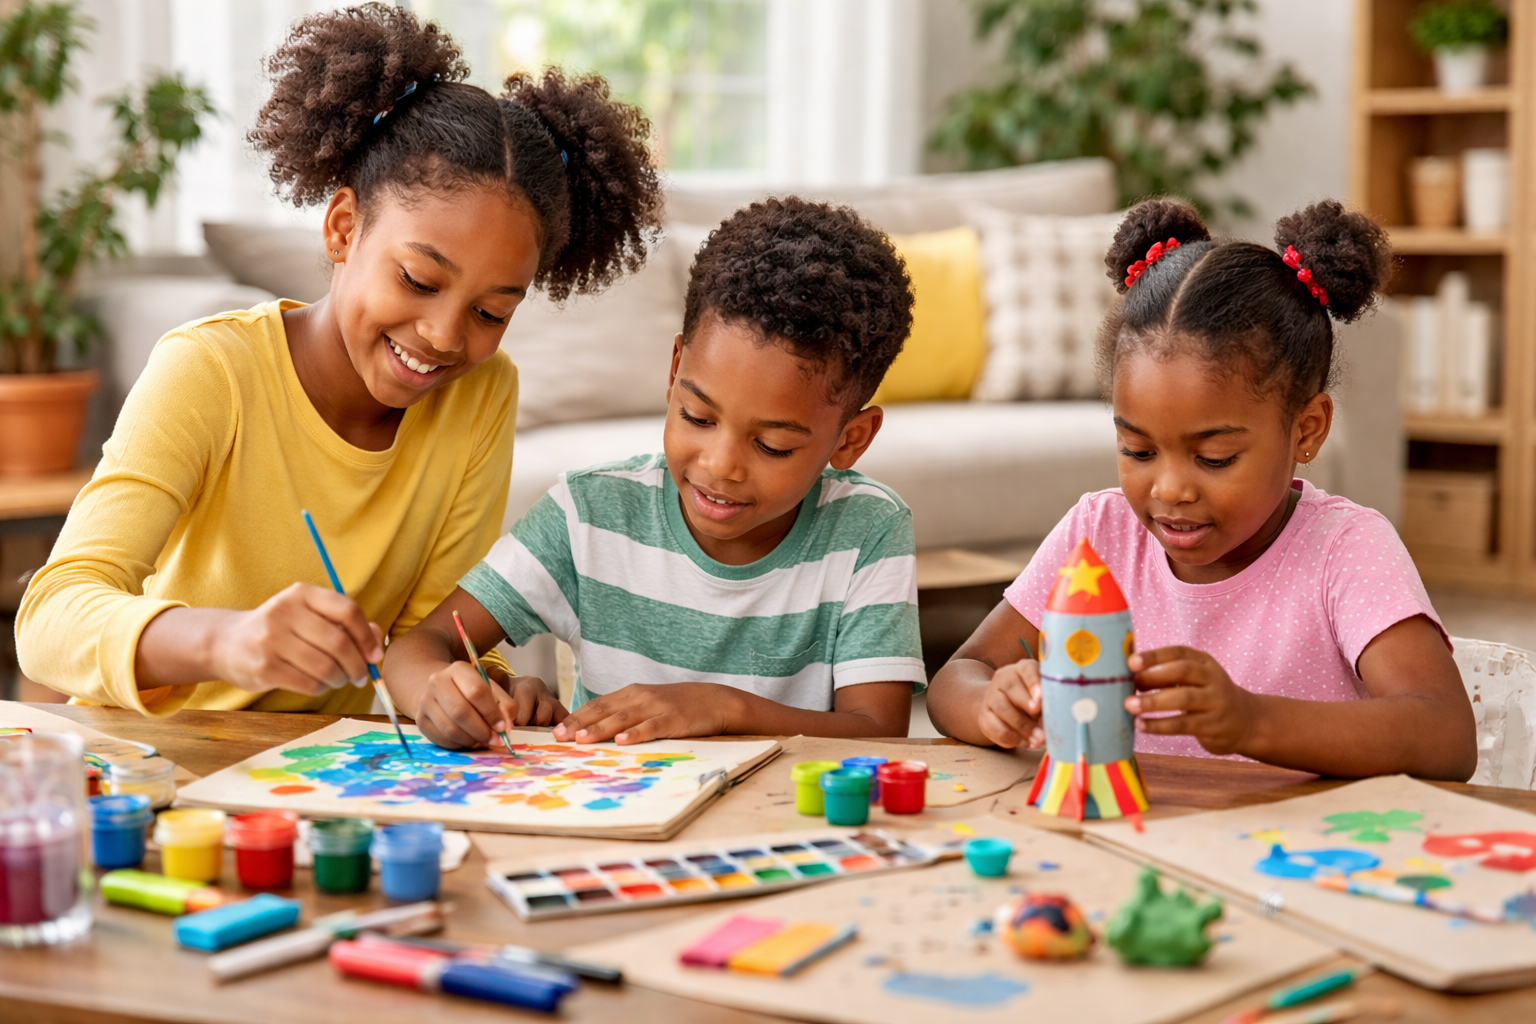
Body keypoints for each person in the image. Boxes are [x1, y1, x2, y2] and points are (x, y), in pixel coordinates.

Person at [16, 3, 663, 717]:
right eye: (418, 280)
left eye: (491, 313)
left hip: (336, 777)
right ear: (343, 228)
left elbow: (429, 636)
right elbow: (49, 619)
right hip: (170, 765)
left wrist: (472, 688)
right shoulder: (210, 370)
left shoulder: (482, 392)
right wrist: (224, 642)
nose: (446, 337)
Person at [925, 198, 1477, 781]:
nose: (1169, 490)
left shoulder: (1345, 549)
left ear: (1306, 429)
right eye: (1137, 451)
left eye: (1215, 458)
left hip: (1299, 859)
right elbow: (957, 679)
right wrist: (994, 703)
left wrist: (1250, 722)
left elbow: (1444, 736)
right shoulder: (1100, 534)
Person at [384, 197, 927, 748]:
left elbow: (877, 732)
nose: (719, 466)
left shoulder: (867, 530)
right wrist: (448, 693)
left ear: (850, 439)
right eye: (697, 416)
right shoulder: (590, 514)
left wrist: (721, 707)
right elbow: (417, 647)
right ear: (674, 371)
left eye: (772, 445)